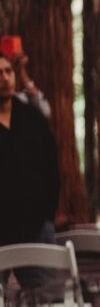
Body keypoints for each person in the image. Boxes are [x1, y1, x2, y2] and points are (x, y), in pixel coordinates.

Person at [0, 54, 59, 247]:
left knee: (43, 268)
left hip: (36, 224)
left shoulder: (31, 116)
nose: (5, 78)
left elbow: (51, 163)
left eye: (8, 71)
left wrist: (48, 212)